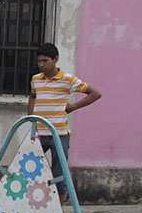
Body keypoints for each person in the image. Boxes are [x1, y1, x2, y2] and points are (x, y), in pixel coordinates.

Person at [27, 43, 101, 196]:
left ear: (55, 59)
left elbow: (95, 93)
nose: (41, 64)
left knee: (59, 176)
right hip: (39, 133)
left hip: (59, 134)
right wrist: (31, 117)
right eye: (39, 61)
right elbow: (33, 96)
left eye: (45, 61)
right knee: (29, 171)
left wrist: (73, 107)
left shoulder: (67, 79)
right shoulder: (36, 79)